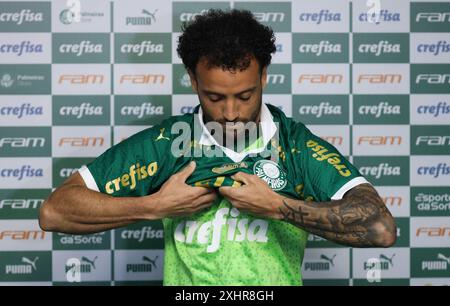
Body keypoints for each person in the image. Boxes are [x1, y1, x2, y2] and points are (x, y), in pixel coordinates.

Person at [39, 9, 396, 285]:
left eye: (244, 95)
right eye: (214, 96)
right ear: (193, 80)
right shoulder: (167, 143)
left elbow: (381, 228)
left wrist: (279, 206)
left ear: (264, 77)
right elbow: (55, 212)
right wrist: (154, 206)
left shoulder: (295, 146)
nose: (230, 113)